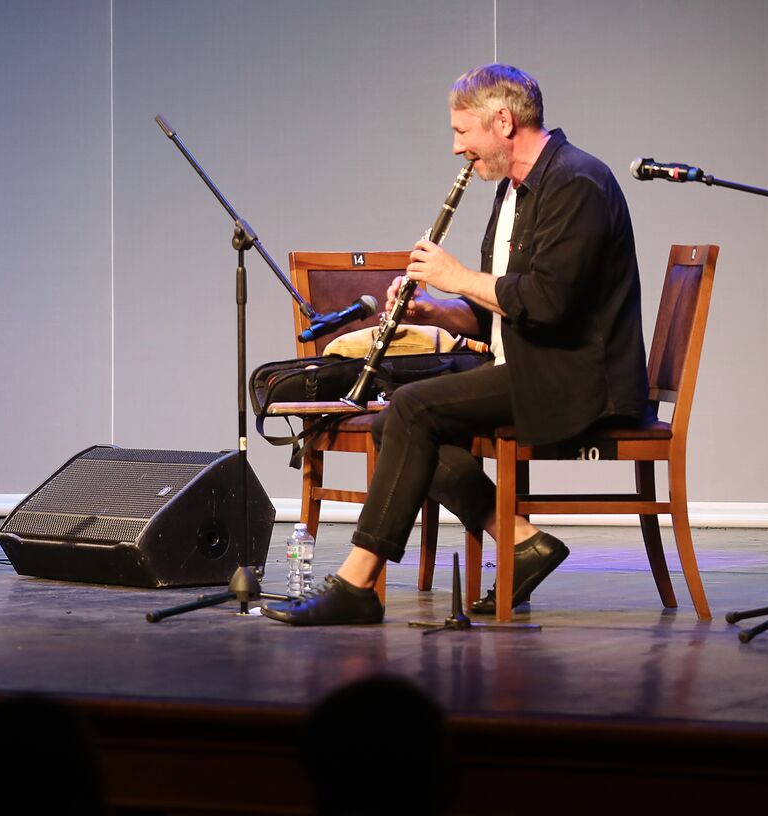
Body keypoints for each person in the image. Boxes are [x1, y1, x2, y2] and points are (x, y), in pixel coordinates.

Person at [264, 63, 649, 626]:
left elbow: (548, 304)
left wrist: (455, 274)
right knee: (390, 418)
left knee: (415, 410)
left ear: (503, 120)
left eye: (462, 132)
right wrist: (431, 306)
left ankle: (357, 581)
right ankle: (520, 539)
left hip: (579, 378)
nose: (454, 147)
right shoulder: (515, 190)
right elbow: (495, 304)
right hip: (531, 365)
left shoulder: (577, 183)